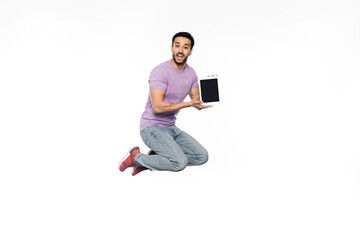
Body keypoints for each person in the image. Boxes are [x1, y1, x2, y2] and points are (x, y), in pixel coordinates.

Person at [119, 32, 212, 176]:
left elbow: (196, 100)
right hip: (151, 128)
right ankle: (136, 157)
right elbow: (158, 107)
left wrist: (210, 87)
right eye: (177, 46)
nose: (180, 50)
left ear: (190, 51)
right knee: (179, 163)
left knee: (201, 156)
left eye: (185, 47)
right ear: (172, 48)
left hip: (171, 128)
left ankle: (152, 160)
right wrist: (188, 104)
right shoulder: (160, 72)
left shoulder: (192, 74)